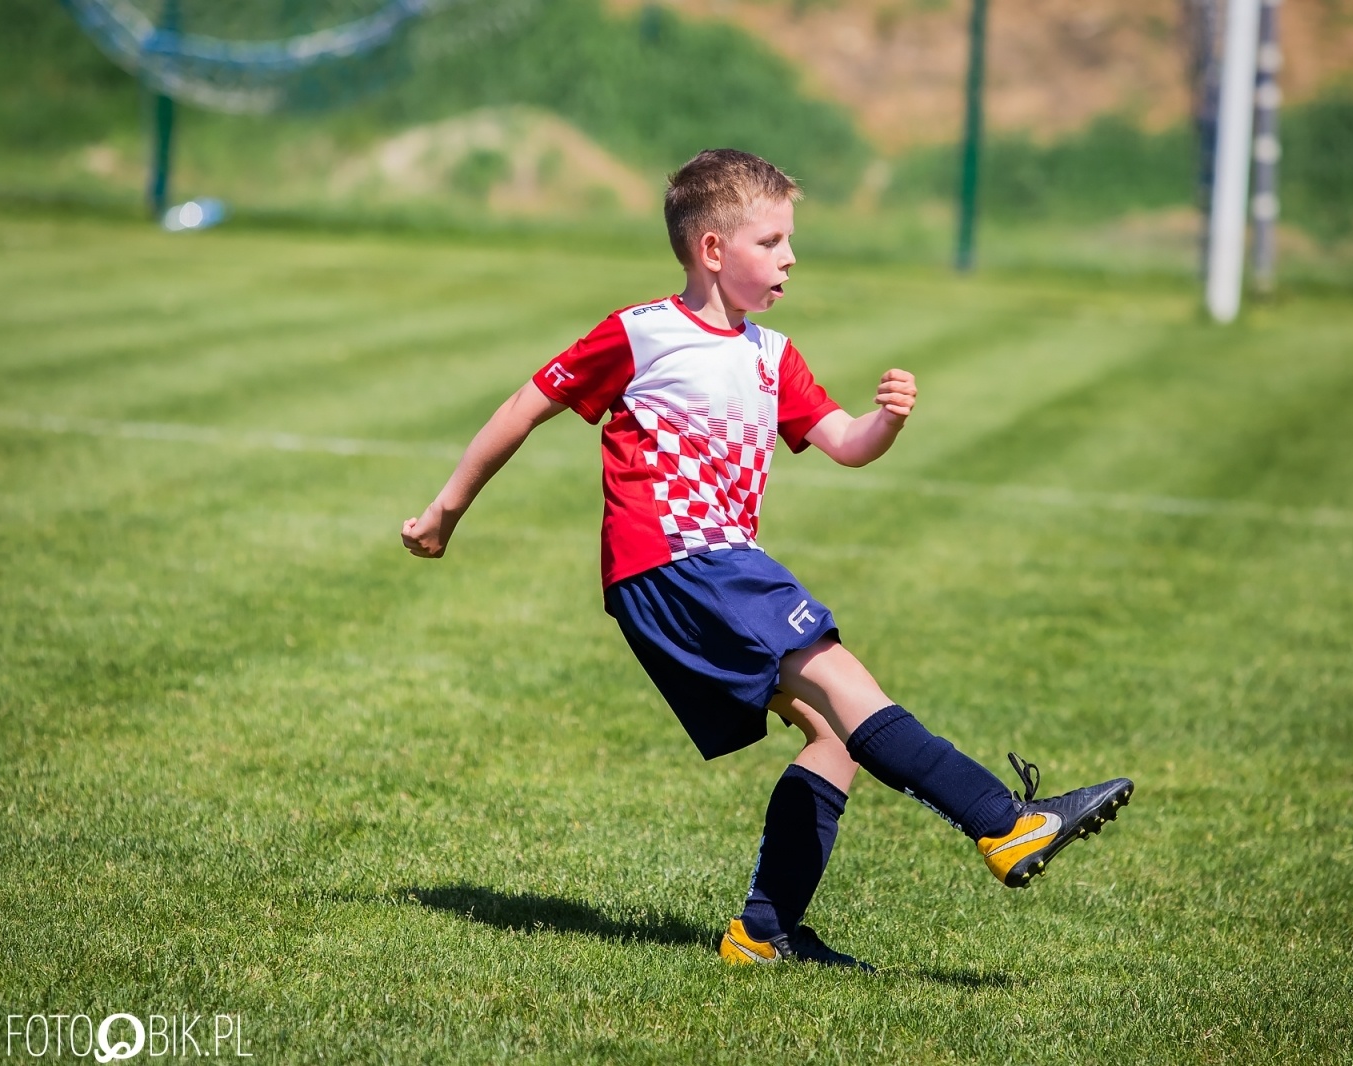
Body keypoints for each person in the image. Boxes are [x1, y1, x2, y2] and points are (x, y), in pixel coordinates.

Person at [402, 148, 1133, 971]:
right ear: (713, 249)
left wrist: (886, 421)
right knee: (847, 683)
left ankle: (765, 932)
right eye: (773, 241)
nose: (790, 258)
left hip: (709, 567)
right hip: (679, 560)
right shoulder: (642, 334)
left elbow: (846, 444)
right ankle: (1003, 822)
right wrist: (446, 508)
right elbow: (525, 404)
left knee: (831, 735)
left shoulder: (771, 355)